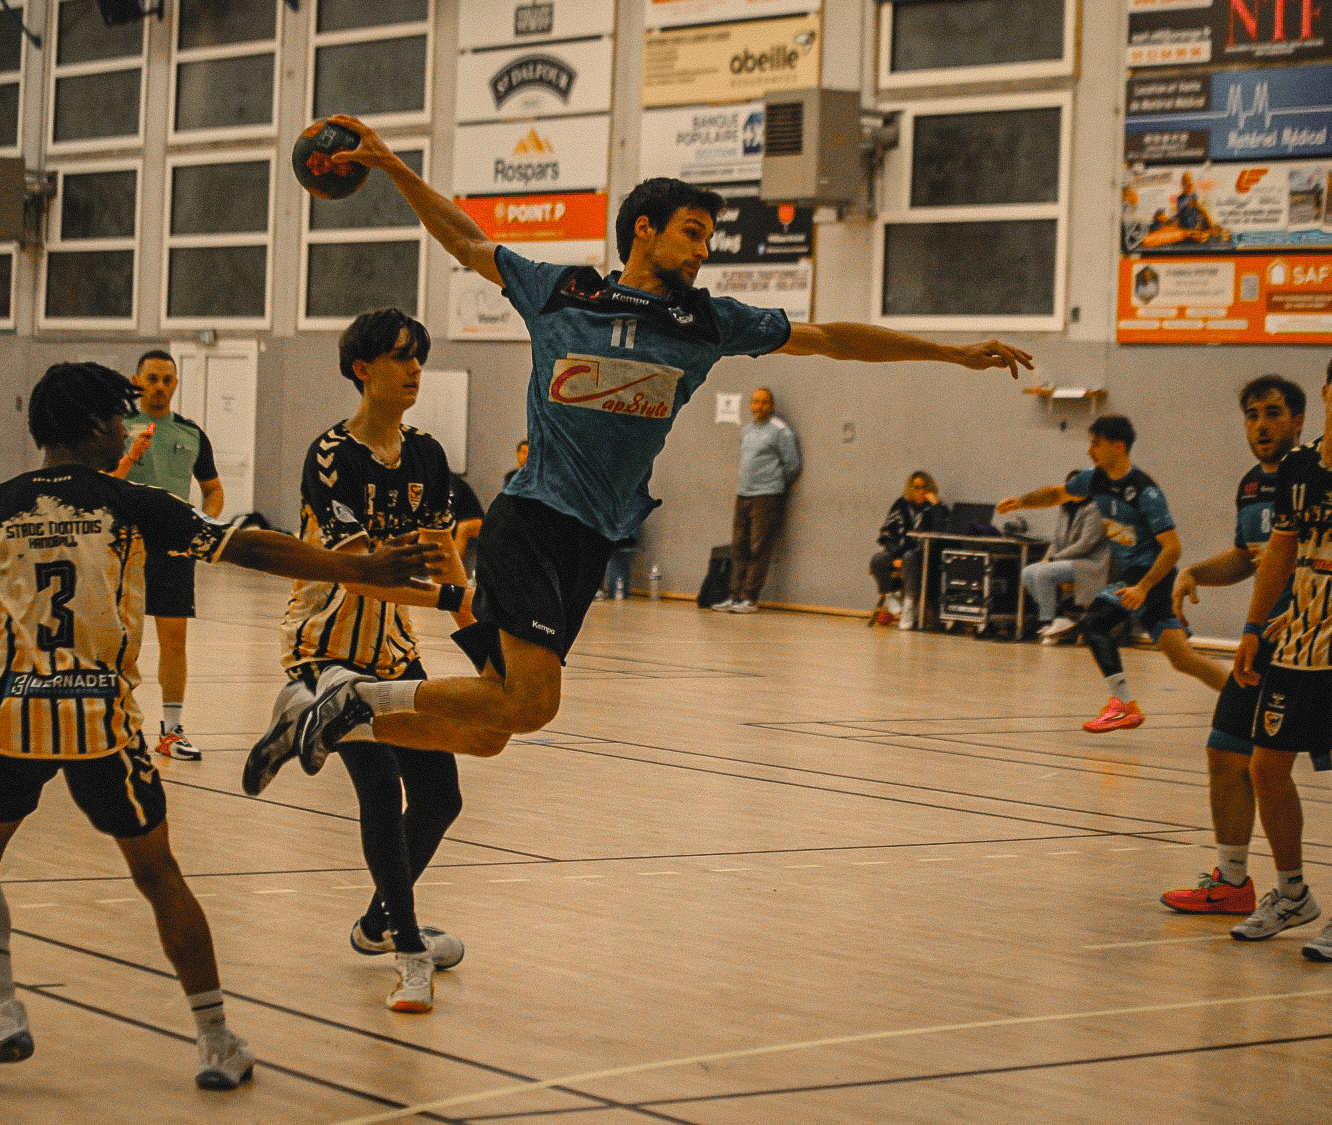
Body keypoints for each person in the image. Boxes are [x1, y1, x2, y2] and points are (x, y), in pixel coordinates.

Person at [241, 113, 1031, 777]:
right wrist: (393, 166)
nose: (703, 250)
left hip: (593, 535)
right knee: (533, 706)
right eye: (693, 233)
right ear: (643, 230)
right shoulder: (564, 293)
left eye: (709, 239)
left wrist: (950, 353)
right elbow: (467, 242)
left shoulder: (709, 322)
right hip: (532, 518)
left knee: (491, 730)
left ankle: (336, 717)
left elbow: (832, 339)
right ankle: (344, 697)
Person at [0, 362, 434, 1089]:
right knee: (157, 874)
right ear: (96, 423)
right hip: (100, 717)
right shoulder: (132, 502)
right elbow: (249, 547)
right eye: (120, 417)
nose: (128, 429)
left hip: (7, 716)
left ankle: (0, 1007)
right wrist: (360, 570)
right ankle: (216, 1038)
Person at [247, 309, 470, 1015]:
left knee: (441, 797)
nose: (413, 371)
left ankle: (377, 922)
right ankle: (408, 950)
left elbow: (445, 557)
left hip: (392, 646)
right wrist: (439, 597)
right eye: (400, 358)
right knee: (379, 790)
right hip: (329, 645)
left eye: (420, 360)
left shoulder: (429, 454)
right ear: (361, 368)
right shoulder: (331, 454)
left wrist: (475, 632)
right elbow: (352, 570)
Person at [1161, 376, 1303, 915]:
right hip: (1259, 644)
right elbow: (1249, 557)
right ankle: (1233, 880)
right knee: (1226, 751)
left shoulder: (1313, 476)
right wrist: (1195, 570)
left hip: (1310, 639)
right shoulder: (1250, 484)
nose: (1261, 425)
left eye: (1272, 413)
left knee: (1277, 768)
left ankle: (1293, 892)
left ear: (1298, 421)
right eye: (1252, 415)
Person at [998, 415, 1228, 733]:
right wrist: (1021, 502)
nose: (1090, 451)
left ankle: (1122, 705)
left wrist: (1144, 587)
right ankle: (1247, 699)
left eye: (1096, 443)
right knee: (1183, 659)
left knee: (1094, 624)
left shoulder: (1145, 493)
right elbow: (1056, 494)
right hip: (1137, 576)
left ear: (1118, 447)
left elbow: (1172, 549)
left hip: (1150, 576)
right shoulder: (1095, 480)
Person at [1227, 360, 1332, 954]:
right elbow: (1279, 553)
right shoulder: (1299, 468)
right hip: (1298, 637)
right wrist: (1251, 628)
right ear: (1325, 394)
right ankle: (1292, 894)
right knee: (1266, 767)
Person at [113, 351, 224, 762]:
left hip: (174, 551)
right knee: (122, 642)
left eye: (167, 380)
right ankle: (117, 726)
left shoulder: (191, 434)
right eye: (152, 378)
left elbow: (213, 490)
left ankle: (171, 732)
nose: (160, 386)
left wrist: (200, 524)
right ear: (136, 380)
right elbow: (102, 484)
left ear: (175, 384)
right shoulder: (117, 428)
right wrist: (129, 459)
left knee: (174, 642)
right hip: (124, 551)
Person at [711, 387, 800, 614]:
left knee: (759, 548)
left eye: (763, 402)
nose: (758, 406)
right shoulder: (747, 431)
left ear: (770, 406)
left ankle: (750, 598)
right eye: (755, 401)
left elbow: (792, 466)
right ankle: (734, 596)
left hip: (767, 496)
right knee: (739, 547)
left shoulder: (781, 432)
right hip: (743, 494)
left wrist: (773, 485)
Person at [1022, 486, 1109, 642]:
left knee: (1044, 573)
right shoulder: (1065, 509)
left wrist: (1054, 559)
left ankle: (1050, 619)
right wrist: (1047, 558)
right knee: (1028, 572)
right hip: (1067, 559)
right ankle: (1058, 616)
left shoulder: (1096, 509)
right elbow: (1056, 541)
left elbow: (1085, 544)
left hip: (1089, 562)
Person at [869, 471, 948, 629]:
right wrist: (895, 556)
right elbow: (887, 533)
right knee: (878, 559)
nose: (920, 491)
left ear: (930, 488)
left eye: (924, 487)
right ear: (910, 488)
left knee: (910, 556)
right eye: (916, 487)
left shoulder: (936, 507)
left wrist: (935, 506)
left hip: (922, 554)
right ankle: (890, 595)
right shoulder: (901, 504)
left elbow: (940, 532)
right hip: (897, 551)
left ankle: (908, 606)